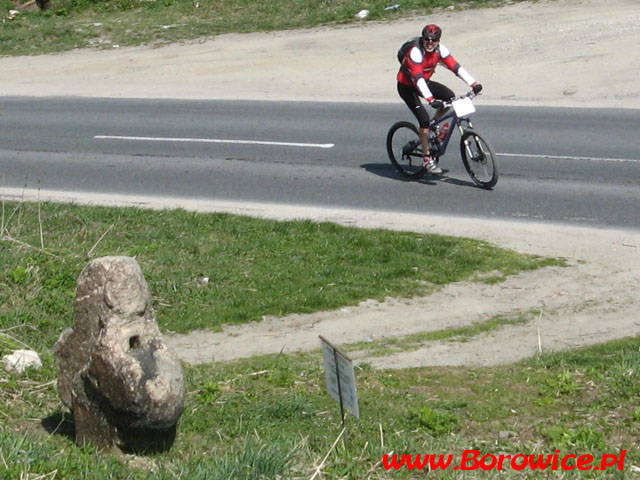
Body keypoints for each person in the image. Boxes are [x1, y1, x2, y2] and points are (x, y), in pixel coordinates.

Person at [397, 24, 483, 174]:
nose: (430, 43)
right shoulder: (416, 52)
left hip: (423, 82)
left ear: (438, 40)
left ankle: (433, 124)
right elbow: (418, 79)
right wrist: (430, 99)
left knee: (450, 97)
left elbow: (456, 68)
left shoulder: (441, 50)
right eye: (427, 40)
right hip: (407, 87)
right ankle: (427, 158)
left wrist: (474, 83)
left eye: (434, 40)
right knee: (423, 120)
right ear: (423, 39)